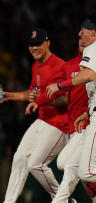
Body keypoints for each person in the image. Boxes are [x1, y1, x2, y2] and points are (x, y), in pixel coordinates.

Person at [1, 28, 69, 203]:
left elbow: (65, 100)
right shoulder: (36, 65)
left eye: (38, 44)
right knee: (19, 158)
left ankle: (63, 199)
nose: (34, 48)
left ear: (48, 43)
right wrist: (5, 95)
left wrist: (41, 100)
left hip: (59, 123)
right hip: (43, 120)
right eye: (31, 45)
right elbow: (31, 94)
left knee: (35, 165)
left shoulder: (60, 66)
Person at [27, 35, 92, 203]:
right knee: (65, 163)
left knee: (76, 167)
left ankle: (61, 201)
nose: (81, 41)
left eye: (85, 36)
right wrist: (39, 101)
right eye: (79, 38)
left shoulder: (91, 68)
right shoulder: (70, 65)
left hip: (89, 125)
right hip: (75, 124)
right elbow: (54, 89)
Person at [46, 16, 96, 186]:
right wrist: (87, 112)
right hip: (87, 116)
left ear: (93, 33)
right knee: (66, 164)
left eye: (83, 31)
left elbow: (88, 75)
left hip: (93, 122)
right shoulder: (88, 54)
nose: (79, 35)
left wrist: (61, 85)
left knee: (85, 171)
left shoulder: (92, 49)